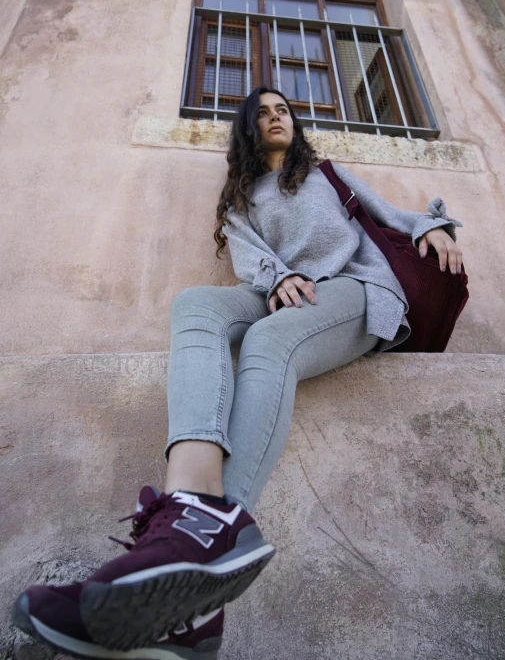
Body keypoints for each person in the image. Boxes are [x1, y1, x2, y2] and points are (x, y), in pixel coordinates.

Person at [12, 87, 463, 659]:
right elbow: (250, 260)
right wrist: (276, 278)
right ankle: (188, 532)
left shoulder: (325, 173)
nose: (277, 118)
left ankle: (204, 534)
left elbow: (386, 214)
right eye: (264, 113)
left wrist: (430, 225)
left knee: (270, 339)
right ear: (248, 130)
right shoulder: (240, 199)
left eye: (284, 111)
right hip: (281, 291)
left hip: (356, 291)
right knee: (195, 305)